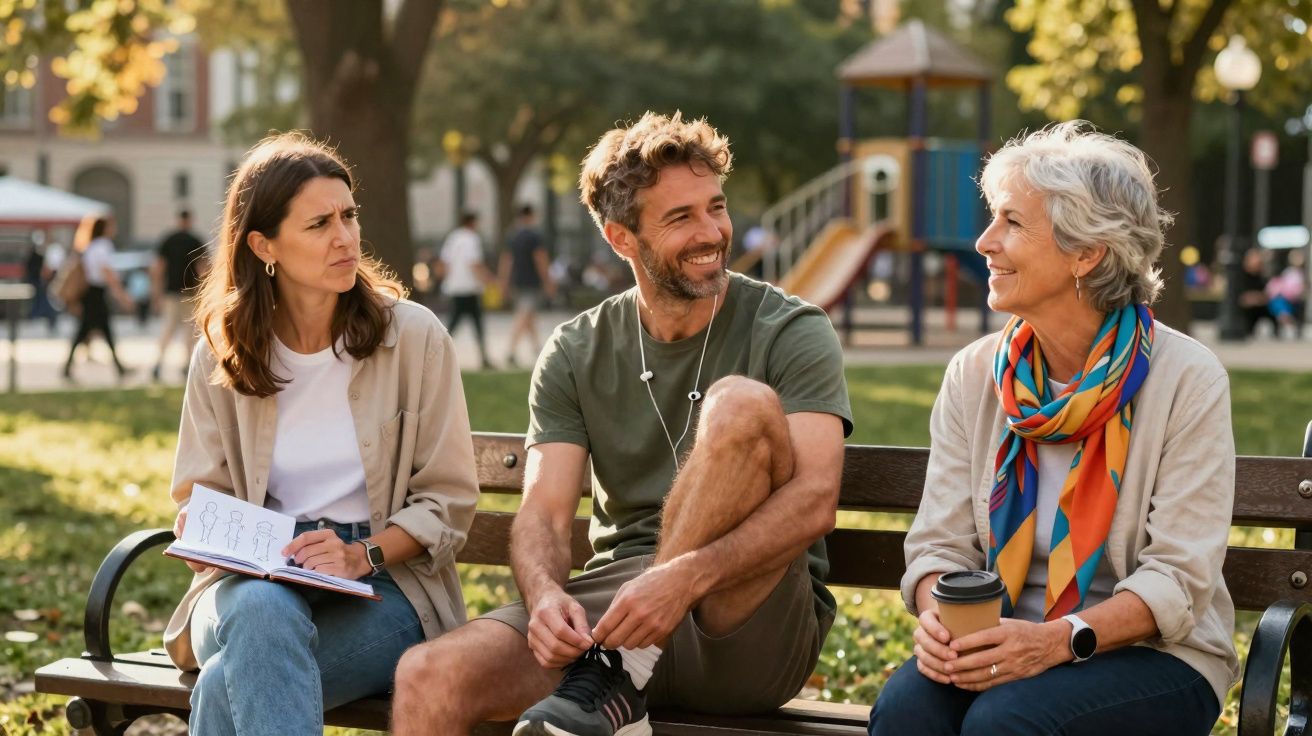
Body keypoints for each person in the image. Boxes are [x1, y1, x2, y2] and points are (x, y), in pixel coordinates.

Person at [391, 111, 853, 736]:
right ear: (620, 238)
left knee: (740, 404)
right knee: (427, 675)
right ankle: (619, 673)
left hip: (742, 614)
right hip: (613, 615)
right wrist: (545, 595)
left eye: (716, 207)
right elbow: (544, 512)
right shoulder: (575, 349)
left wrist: (680, 581)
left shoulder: (790, 328)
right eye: (680, 217)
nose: (711, 232)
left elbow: (816, 501)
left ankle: (625, 667)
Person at [868, 122, 1237, 735]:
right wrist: (939, 619)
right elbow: (940, 545)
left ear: (1086, 253)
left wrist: (1055, 641)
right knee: (908, 709)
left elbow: (1178, 578)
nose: (984, 241)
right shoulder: (974, 374)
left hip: (1154, 654)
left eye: (1011, 222)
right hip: (999, 638)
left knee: (1005, 720)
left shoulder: (1186, 380)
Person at [161, 132, 480, 735]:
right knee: (260, 613)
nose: (345, 238)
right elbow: (202, 492)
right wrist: (203, 527)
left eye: (349, 216)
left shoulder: (413, 338)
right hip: (250, 577)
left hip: (386, 583)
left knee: (228, 685)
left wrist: (361, 554)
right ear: (264, 245)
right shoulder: (223, 351)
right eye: (319, 224)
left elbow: (449, 501)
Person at [63, 215, 134, 380]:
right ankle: (118, 367)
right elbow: (107, 272)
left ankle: (118, 367)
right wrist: (122, 296)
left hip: (90, 293)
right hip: (96, 293)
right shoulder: (103, 246)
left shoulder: (90, 246)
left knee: (90, 330)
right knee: (94, 330)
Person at [151, 210, 209, 380]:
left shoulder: (169, 240)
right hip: (190, 292)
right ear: (190, 221)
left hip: (172, 292)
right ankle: (187, 365)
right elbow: (203, 269)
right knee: (189, 331)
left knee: (169, 329)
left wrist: (156, 293)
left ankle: (159, 363)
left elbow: (159, 268)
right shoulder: (195, 240)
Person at [498, 204, 557, 367]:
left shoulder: (512, 235)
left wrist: (503, 281)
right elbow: (541, 259)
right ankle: (511, 351)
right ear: (531, 215)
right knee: (524, 315)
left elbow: (506, 260)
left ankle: (538, 350)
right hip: (531, 281)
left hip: (517, 281)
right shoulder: (534, 236)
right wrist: (548, 281)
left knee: (529, 317)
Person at [438, 211, 494, 368]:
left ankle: (441, 353)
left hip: (455, 287)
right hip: (469, 288)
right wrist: (488, 279)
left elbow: (444, 262)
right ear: (473, 222)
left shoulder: (453, 237)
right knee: (475, 324)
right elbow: (474, 263)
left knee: (455, 323)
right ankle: (483, 357)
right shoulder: (471, 238)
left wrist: (447, 280)